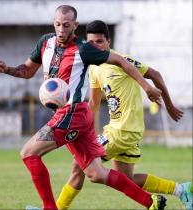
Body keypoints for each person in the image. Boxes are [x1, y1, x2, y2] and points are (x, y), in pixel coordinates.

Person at [0, 5, 167, 210]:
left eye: (66, 25)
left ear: (75, 25)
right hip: (77, 116)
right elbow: (27, 70)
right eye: (58, 24)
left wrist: (146, 87)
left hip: (72, 113)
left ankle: (50, 208)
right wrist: (7, 70)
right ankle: (151, 202)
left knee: (29, 153)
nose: (61, 29)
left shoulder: (83, 49)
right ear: (53, 23)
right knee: (96, 174)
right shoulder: (45, 43)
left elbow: (120, 61)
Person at [56, 20, 193, 210]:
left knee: (79, 166)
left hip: (123, 130)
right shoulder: (94, 67)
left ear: (109, 42)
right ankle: (181, 190)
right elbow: (94, 104)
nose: (95, 46)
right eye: (91, 43)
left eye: (100, 42)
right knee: (127, 179)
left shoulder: (120, 60)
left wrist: (169, 105)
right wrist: (80, 127)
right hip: (120, 130)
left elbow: (155, 74)